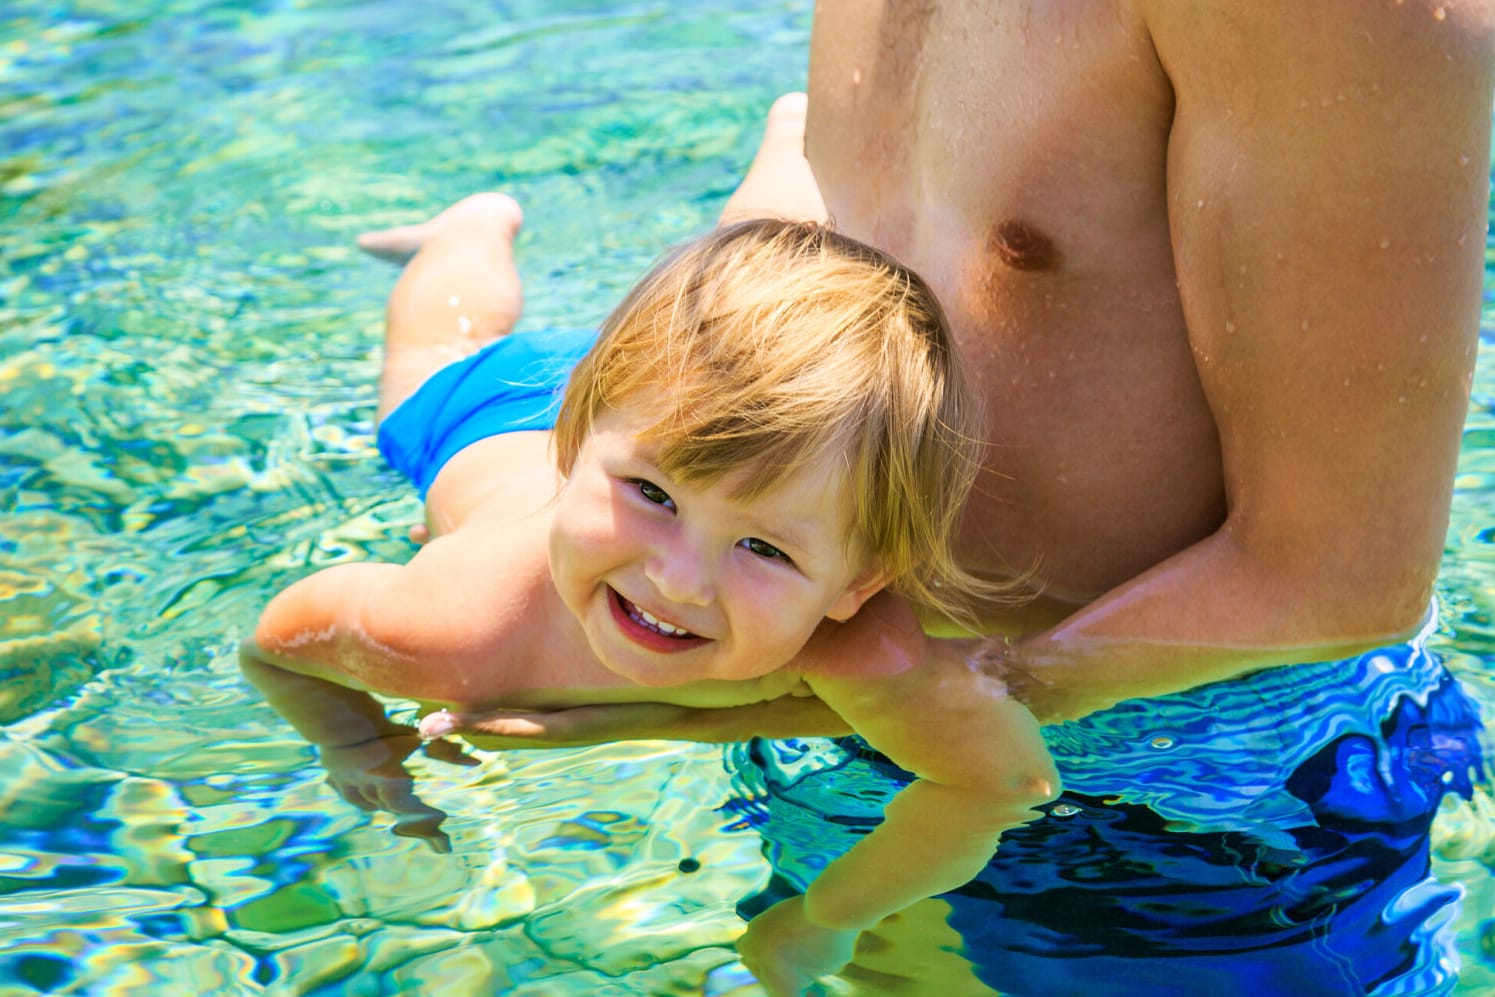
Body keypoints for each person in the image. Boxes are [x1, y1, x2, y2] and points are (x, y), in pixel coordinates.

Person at [423, 3, 1495, 994]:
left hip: (1194, 809)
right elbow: (851, 233)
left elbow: (1339, 576)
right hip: (869, 701)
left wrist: (872, 703)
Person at [240, 199, 1060, 982]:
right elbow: (278, 648)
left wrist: (828, 916)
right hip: (491, 414)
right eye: (651, 500)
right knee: (434, 348)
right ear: (573, 440)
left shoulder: (857, 646)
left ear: (857, 583)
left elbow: (1003, 782)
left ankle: (785, 148)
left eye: (762, 548)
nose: (677, 581)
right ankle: (465, 233)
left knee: (764, 262)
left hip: (662, 414)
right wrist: (358, 746)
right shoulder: (450, 634)